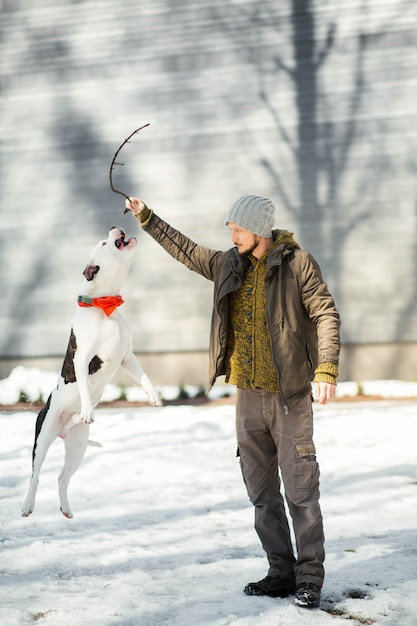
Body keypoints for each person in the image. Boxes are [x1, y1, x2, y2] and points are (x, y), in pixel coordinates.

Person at [126, 194, 341, 609]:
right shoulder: (229, 263)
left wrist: (327, 368)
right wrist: (147, 218)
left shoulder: (297, 264)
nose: (232, 236)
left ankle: (309, 577)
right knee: (261, 492)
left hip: (289, 397)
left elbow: (325, 313)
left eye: (237, 229)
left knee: (301, 492)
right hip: (247, 398)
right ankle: (281, 572)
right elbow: (187, 251)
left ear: (258, 229)